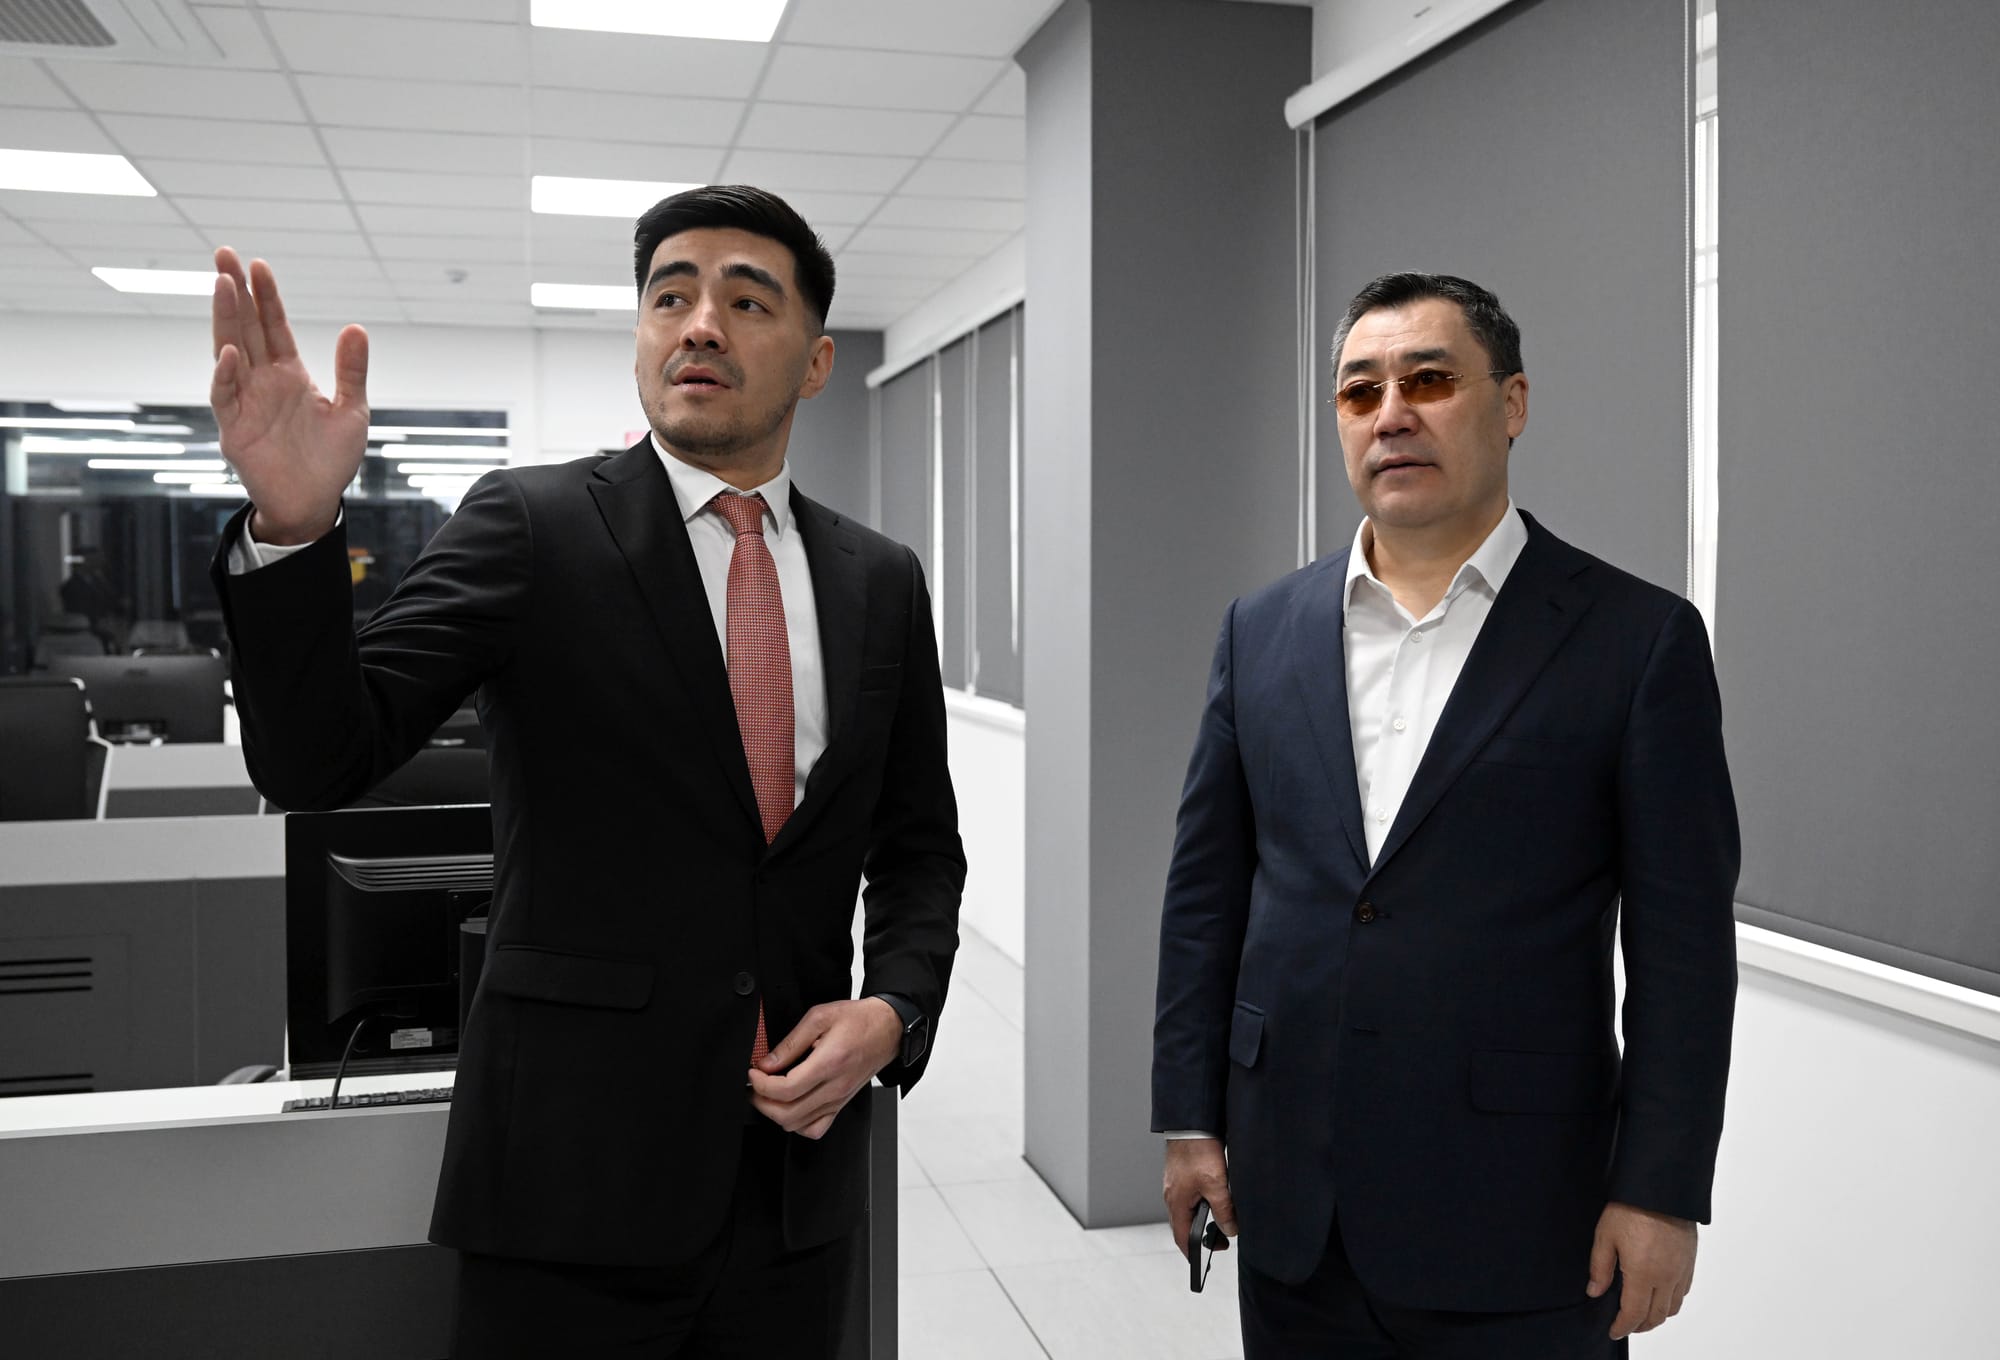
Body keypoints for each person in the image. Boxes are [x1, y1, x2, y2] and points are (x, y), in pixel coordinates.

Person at [206, 185, 965, 1357]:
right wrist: (297, 529)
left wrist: (894, 1010)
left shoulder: (880, 578)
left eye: (744, 300)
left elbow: (918, 847)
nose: (698, 323)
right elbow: (320, 758)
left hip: (792, 1195)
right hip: (570, 1191)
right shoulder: (533, 524)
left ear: (815, 363)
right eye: (670, 296)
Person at [1151, 273, 1738, 1358]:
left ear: (1510, 403)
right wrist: (1190, 1120)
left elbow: (1684, 949)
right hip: (1295, 1203)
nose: (1391, 414)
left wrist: (1659, 1189)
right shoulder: (1260, 630)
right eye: (1359, 390)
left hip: (1524, 1218)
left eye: (1428, 380)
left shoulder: (1635, 639)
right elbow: (1204, 900)